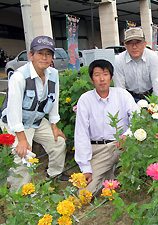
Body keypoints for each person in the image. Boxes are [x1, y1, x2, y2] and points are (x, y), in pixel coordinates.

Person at [0, 35, 68, 191]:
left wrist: (54, 125)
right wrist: (22, 139)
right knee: (23, 156)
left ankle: (54, 176)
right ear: (31, 55)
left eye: (48, 54)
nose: (44, 58)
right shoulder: (19, 77)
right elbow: (13, 112)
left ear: (51, 57)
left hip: (36, 120)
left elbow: (54, 101)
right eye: (40, 53)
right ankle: (19, 194)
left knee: (58, 143)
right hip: (15, 123)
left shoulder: (53, 74)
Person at [74, 59, 139, 196]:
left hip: (121, 145)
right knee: (85, 194)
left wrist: (128, 135)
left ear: (111, 78)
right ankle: (110, 174)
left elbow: (137, 119)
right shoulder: (85, 100)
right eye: (97, 75)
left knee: (136, 177)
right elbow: (81, 134)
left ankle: (116, 174)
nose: (102, 79)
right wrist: (85, 167)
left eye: (105, 74)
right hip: (99, 149)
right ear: (92, 80)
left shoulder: (122, 95)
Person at [114, 27, 158, 102]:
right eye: (130, 43)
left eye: (138, 42)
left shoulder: (152, 57)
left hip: (150, 97)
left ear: (144, 44)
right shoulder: (119, 60)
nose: (134, 47)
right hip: (130, 98)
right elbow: (120, 88)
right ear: (125, 46)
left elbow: (157, 83)